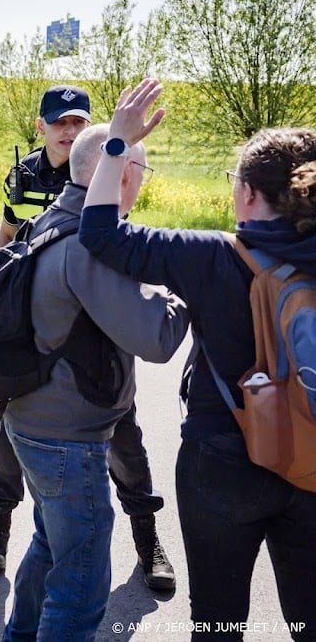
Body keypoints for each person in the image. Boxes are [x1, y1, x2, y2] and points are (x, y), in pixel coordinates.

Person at [80, 78, 316, 639]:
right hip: (312, 461)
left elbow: (100, 233)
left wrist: (117, 142)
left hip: (223, 460)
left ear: (251, 195)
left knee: (218, 621)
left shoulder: (212, 256)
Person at [0, 85, 177, 595]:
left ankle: (147, 536)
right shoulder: (23, 177)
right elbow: (7, 237)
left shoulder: (101, 166)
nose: (70, 131)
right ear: (41, 127)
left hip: (99, 335)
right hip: (38, 331)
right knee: (8, 441)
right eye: (59, 122)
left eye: (77, 121)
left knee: (125, 443)